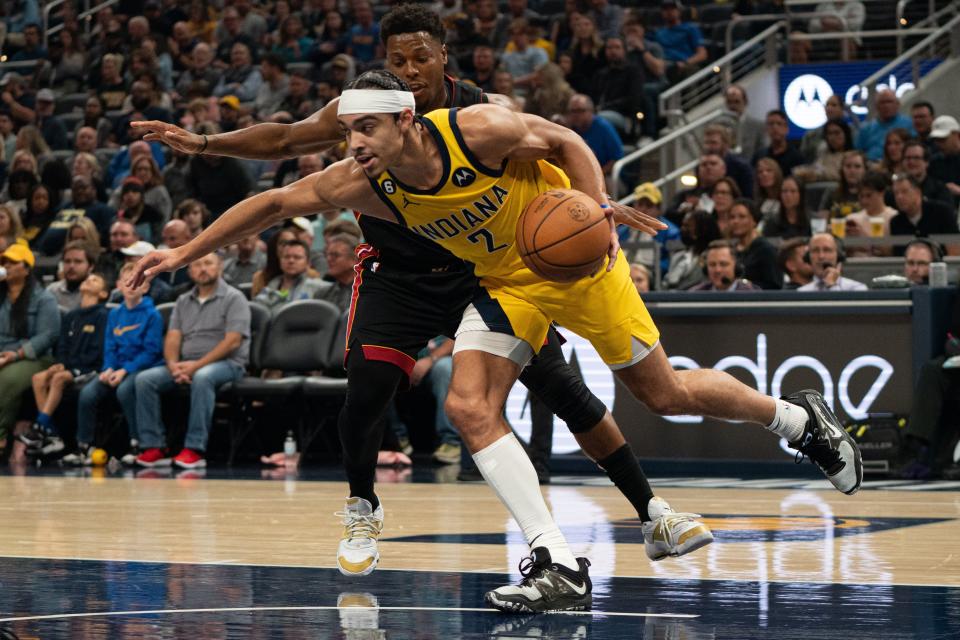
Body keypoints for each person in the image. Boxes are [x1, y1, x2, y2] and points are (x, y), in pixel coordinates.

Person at [131, 74, 864, 613]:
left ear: (407, 121)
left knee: (663, 394)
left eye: (367, 134)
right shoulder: (366, 183)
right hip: (509, 283)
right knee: (470, 406)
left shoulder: (476, 130)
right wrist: (181, 251)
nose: (354, 147)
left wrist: (596, 208)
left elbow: (567, 138)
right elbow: (272, 202)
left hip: (580, 264)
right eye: (349, 136)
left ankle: (797, 420)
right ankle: (556, 560)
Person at [130, 4, 720, 593]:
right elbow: (284, 148)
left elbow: (560, 146)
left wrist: (592, 211)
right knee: (365, 393)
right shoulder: (364, 109)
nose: (409, 69)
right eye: (396, 60)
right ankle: (363, 508)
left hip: (478, 269)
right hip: (397, 276)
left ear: (443, 58)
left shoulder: (477, 117)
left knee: (563, 389)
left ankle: (653, 512)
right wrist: (205, 144)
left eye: (419, 58)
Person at [134, 252, 249, 469]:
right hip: (186, 364)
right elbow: (173, 337)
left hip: (229, 365)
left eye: (208, 263)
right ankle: (154, 446)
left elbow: (232, 342)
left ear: (220, 267)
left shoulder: (235, 298)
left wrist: (196, 367)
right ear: (189, 270)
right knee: (145, 380)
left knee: (203, 378)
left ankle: (195, 449)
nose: (203, 268)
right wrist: (173, 365)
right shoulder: (183, 300)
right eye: (197, 264)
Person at [64, 261, 164, 466]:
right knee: (88, 393)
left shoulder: (152, 314)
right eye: (128, 281)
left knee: (125, 390)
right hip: (115, 368)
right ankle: (84, 446)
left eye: (138, 282)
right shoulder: (115, 314)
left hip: (142, 367)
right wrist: (108, 368)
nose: (132, 286)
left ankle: (137, 443)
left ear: (146, 287)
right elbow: (109, 347)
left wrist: (125, 371)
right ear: (119, 285)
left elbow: (151, 351)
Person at [18, 273, 109, 457]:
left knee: (59, 378)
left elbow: (97, 350)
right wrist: (60, 363)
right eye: (88, 278)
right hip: (69, 366)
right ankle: (52, 434)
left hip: (90, 367)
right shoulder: (71, 315)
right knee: (39, 378)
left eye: (95, 280)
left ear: (104, 294)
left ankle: (41, 425)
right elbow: (62, 345)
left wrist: (68, 368)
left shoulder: (103, 315)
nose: (88, 280)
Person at [0, 244, 60, 453]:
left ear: (26, 268)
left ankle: (1, 436)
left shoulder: (44, 298)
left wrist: (16, 354)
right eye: (4, 262)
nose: (6, 266)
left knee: (7, 378)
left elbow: (49, 335)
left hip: (35, 357)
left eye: (12, 262)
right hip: (3, 354)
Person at [254, 239, 325, 309]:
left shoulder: (318, 287)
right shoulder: (271, 286)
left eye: (297, 257)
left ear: (308, 263)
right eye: (286, 257)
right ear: (280, 261)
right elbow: (258, 311)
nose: (291, 261)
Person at [564, 93, 623, 177]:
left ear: (591, 111)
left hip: (606, 175)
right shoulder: (569, 128)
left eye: (581, 111)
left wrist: (597, 176)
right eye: (573, 111)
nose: (576, 115)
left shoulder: (603, 127)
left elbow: (616, 159)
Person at [662, 209, 721, 290]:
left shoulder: (713, 258)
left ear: (701, 230)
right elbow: (667, 283)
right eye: (682, 225)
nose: (682, 229)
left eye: (687, 226)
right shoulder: (679, 255)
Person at [728, 199, 780, 289]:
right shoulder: (730, 249)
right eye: (732, 217)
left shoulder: (766, 250)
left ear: (754, 220)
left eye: (742, 217)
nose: (735, 221)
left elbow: (774, 285)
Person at [654, 0, 706, 82]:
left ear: (679, 11)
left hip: (684, 65)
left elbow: (702, 54)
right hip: (664, 65)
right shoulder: (658, 33)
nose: (669, 12)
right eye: (665, 9)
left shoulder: (691, 29)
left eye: (672, 9)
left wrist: (685, 63)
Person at [892, 140, 953, 209]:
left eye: (916, 158)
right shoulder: (894, 191)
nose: (911, 162)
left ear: (926, 162)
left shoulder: (940, 190)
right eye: (908, 158)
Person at [856, 89, 914, 162]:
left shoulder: (909, 124)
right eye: (882, 102)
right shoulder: (866, 129)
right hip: (872, 166)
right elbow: (858, 153)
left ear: (898, 104)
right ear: (876, 106)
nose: (886, 105)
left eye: (889, 102)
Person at [797, 233, 867, 291]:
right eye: (815, 250)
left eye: (827, 250)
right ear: (808, 257)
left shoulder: (856, 289)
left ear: (838, 255)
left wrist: (831, 286)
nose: (821, 256)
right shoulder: (801, 292)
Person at [702, 123, 753, 198]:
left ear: (725, 144)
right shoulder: (702, 166)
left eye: (713, 143)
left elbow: (748, 196)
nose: (709, 147)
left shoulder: (741, 167)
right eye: (706, 143)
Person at [690, 240, 759, 291]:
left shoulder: (752, 293)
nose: (717, 270)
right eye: (712, 265)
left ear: (736, 267)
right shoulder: (695, 293)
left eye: (723, 264)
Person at [46, 241, 97, 310]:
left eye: (78, 261)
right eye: (67, 261)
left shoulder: (96, 292)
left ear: (91, 266)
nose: (71, 266)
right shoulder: (52, 291)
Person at [752, 110, 804, 177]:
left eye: (779, 124)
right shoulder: (759, 156)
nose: (775, 127)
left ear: (786, 129)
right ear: (766, 129)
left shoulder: (797, 157)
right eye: (771, 124)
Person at [721, 84, 765, 162]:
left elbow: (762, 151)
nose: (733, 106)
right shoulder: (719, 125)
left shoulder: (758, 126)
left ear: (745, 102)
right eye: (729, 102)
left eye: (737, 102)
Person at [314, 233, 357, 311]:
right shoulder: (321, 295)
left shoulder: (370, 293)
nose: (328, 259)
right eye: (327, 255)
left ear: (354, 260)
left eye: (335, 255)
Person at [820, 150, 866, 218]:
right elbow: (821, 222)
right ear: (842, 169)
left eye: (857, 166)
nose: (852, 171)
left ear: (864, 170)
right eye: (848, 166)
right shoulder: (832, 192)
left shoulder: (870, 195)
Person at [929, 115, 960, 208]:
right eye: (936, 140)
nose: (939, 144)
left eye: (943, 139)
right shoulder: (935, 162)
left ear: (957, 135)